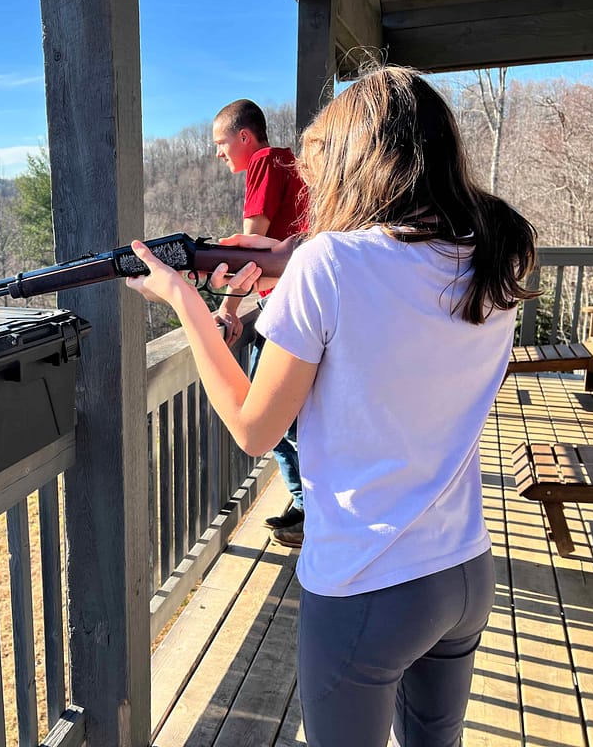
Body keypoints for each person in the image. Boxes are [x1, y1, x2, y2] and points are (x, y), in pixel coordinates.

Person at [126, 65, 537, 747]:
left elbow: (255, 429)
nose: (318, 192)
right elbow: (397, 274)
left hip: (367, 584)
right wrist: (289, 254)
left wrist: (185, 303)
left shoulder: (332, 267)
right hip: (463, 568)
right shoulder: (495, 253)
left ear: (359, 168)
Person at [211, 98, 307, 542]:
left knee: (264, 414)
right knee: (284, 415)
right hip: (302, 300)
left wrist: (227, 308)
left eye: (221, 143)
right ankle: (309, 501)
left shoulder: (266, 162)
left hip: (286, 304)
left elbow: (248, 250)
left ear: (245, 137)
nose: (218, 153)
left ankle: (312, 506)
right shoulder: (294, 162)